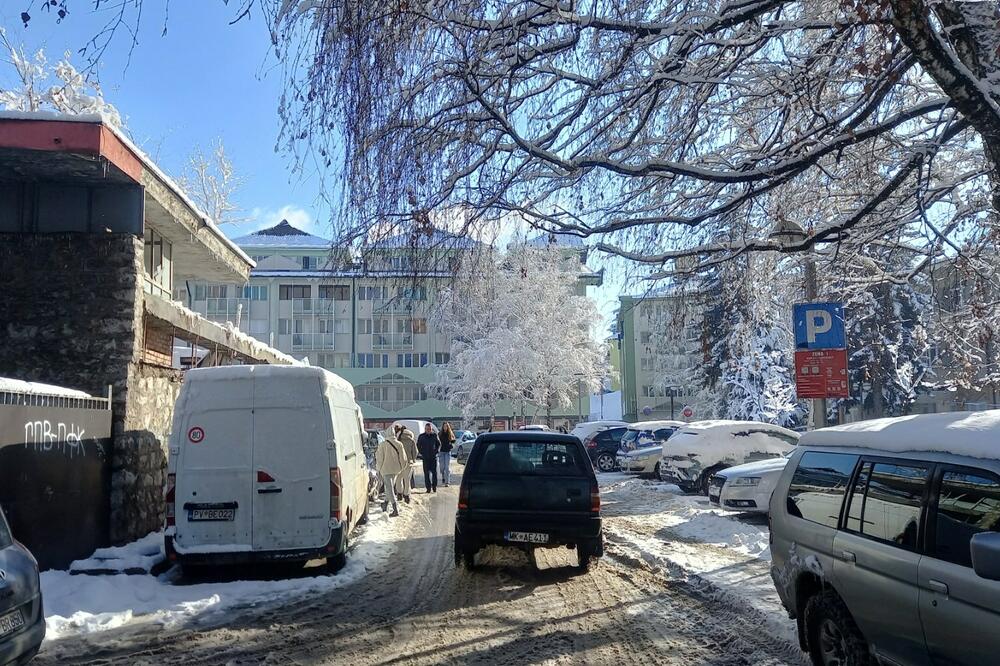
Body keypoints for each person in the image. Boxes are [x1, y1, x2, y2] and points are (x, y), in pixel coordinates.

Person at [375, 426, 407, 517]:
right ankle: (385, 503)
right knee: (389, 488)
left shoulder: (383, 445)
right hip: (396, 469)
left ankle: (395, 509)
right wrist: (401, 467)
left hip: (386, 469)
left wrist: (378, 469)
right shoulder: (399, 444)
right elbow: (403, 458)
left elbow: (380, 459)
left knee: (389, 488)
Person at [416, 423, 441, 493]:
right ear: (425, 429)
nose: (428, 430)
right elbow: (418, 445)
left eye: (430, 429)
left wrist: (436, 451)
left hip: (433, 457)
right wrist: (422, 452)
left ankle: (434, 486)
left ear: (431, 429)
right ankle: (428, 488)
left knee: (434, 473)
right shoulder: (421, 436)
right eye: (427, 429)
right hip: (425, 458)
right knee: (426, 474)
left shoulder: (434, 435)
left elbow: (438, 444)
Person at [396, 425, 417, 504]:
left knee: (399, 478)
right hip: (408, 462)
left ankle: (399, 494)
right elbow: (415, 451)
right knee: (407, 479)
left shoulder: (398, 440)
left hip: (399, 462)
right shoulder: (411, 440)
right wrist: (413, 458)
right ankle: (407, 495)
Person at [438, 422, 456, 487]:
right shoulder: (440, 434)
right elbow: (437, 442)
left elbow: (454, 441)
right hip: (441, 452)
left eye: (446, 426)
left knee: (447, 467)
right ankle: (443, 476)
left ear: (448, 427)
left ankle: (447, 482)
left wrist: (451, 446)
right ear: (442, 427)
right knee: (442, 467)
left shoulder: (450, 434)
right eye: (444, 426)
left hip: (447, 452)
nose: (445, 427)